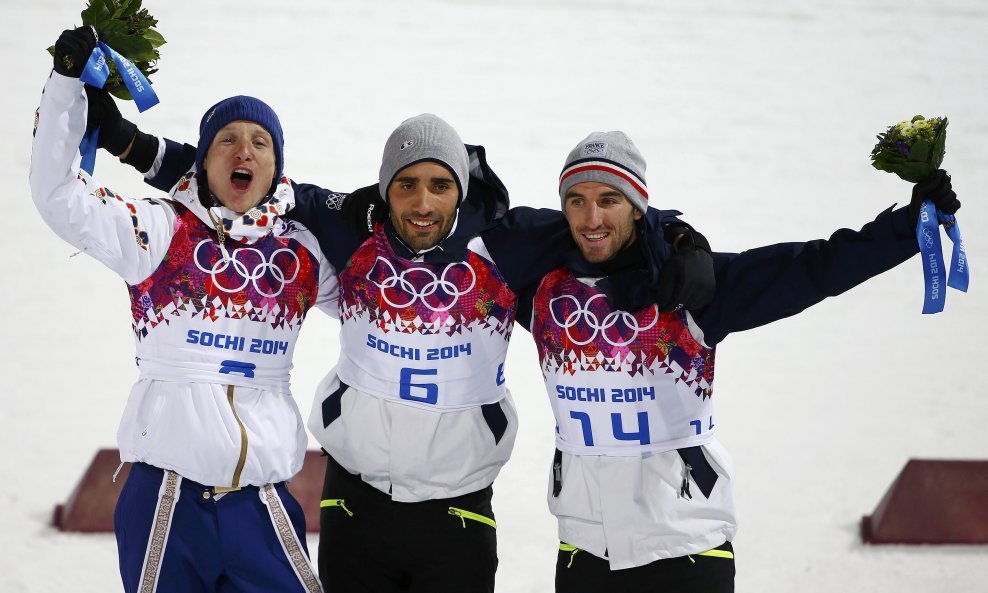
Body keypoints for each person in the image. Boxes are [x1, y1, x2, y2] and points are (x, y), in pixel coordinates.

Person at [97, 103, 716, 589]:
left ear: (461, 189)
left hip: (458, 505)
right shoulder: (349, 224)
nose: (422, 201)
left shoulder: (509, 240)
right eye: (406, 184)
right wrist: (131, 144)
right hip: (355, 498)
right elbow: (244, 176)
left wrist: (677, 235)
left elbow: (605, 216)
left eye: (440, 184)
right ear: (385, 186)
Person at [520, 131, 960, 592]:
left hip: (686, 550)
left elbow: (813, 269)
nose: (592, 217)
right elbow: (468, 226)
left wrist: (911, 225)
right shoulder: (544, 291)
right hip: (583, 554)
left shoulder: (689, 288)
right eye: (576, 200)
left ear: (637, 206)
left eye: (609, 199)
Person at [31, 27, 337, 593]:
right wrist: (67, 88)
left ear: (276, 169)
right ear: (202, 162)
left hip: (263, 506)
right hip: (167, 505)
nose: (244, 151)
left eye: (259, 142)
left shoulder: (303, 252)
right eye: (227, 140)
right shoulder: (159, 231)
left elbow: (379, 302)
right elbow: (59, 195)